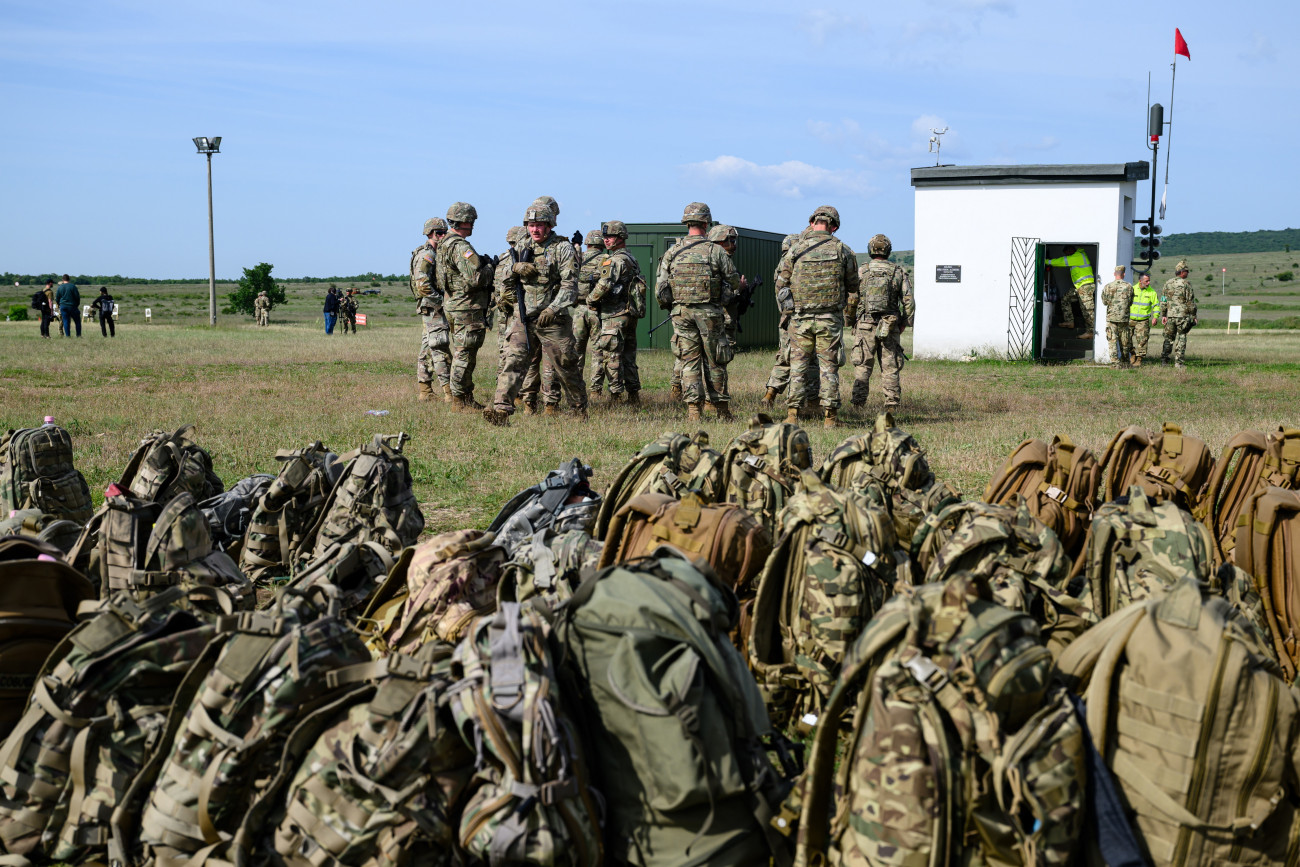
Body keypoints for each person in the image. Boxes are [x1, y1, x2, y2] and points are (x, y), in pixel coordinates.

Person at [484, 201, 588, 425]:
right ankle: (500, 410)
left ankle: (579, 411)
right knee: (513, 361)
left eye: (540, 224)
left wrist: (553, 308)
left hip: (553, 320)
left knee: (566, 366)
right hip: (524, 316)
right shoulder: (522, 246)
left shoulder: (562, 248)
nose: (535, 229)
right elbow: (503, 280)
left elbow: (571, 287)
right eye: (531, 225)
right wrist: (514, 269)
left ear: (549, 225)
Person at [655, 202, 741, 421]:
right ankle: (721, 410)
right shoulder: (715, 251)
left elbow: (660, 289)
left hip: (681, 313)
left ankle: (694, 411)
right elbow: (733, 281)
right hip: (710, 313)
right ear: (706, 222)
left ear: (686, 222)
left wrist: (673, 307)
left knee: (689, 361)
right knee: (715, 360)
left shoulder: (672, 252)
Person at [781, 206, 859, 428]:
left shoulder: (795, 250)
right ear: (834, 226)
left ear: (813, 222)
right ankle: (830, 418)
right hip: (829, 319)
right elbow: (854, 287)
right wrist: (848, 315)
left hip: (800, 318)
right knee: (828, 367)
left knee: (798, 366)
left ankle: (792, 415)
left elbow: (781, 284)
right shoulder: (843, 250)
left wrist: (788, 312)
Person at [436, 202, 495, 410]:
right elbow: (475, 279)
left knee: (465, 351)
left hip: (453, 305)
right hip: (466, 307)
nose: (473, 226)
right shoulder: (460, 246)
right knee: (465, 353)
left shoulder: (444, 244)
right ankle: (459, 400)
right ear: (464, 221)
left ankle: (465, 397)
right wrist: (490, 268)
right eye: (471, 222)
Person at [851, 234, 915, 410]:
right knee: (890, 366)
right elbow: (908, 301)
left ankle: (858, 404)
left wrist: (851, 321)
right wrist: (904, 323)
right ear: (888, 250)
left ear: (870, 249)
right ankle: (892, 405)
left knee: (863, 365)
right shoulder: (898, 271)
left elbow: (851, 299)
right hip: (890, 325)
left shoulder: (862, 271)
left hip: (865, 325)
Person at [761, 229, 820, 410]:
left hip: (786, 321)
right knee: (810, 361)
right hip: (801, 320)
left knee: (785, 358)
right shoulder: (797, 264)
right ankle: (811, 401)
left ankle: (770, 393)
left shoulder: (781, 267)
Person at [587, 220, 644, 404]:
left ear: (621, 238)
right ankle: (633, 394)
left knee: (612, 356)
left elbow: (604, 284)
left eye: (610, 236)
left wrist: (590, 299)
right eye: (605, 236)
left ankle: (616, 396)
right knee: (628, 356)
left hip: (614, 314)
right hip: (629, 313)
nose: (606, 240)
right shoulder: (631, 258)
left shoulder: (614, 261)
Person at [411, 218, 451, 401]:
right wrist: (441, 302)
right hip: (433, 308)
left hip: (431, 307)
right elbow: (422, 285)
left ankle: (425, 391)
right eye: (439, 233)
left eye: (445, 232)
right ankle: (450, 393)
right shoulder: (428, 255)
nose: (443, 236)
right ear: (429, 234)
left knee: (427, 349)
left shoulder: (434, 252)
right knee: (440, 349)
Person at [575, 229, 607, 396]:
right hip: (598, 310)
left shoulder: (578, 257)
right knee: (598, 351)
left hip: (579, 310)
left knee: (576, 351)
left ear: (587, 243)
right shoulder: (606, 259)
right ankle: (595, 390)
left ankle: (576, 386)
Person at [1045, 245, 1097, 333]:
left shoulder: (1078, 256)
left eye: (1067, 254)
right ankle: (1069, 321)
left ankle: (1090, 332)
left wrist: (1046, 261)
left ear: (1070, 250)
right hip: (1079, 286)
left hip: (1085, 286)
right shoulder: (1077, 256)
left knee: (1087, 310)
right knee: (1065, 299)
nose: (1067, 256)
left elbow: (1061, 261)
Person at [1160, 259, 1198, 369]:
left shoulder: (1167, 283)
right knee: (1181, 337)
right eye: (1187, 271)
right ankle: (1178, 363)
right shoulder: (1186, 284)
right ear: (1182, 272)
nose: (1188, 273)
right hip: (1182, 316)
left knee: (1168, 338)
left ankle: (1164, 361)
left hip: (1170, 316)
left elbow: (1163, 300)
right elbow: (1190, 302)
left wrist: (1163, 314)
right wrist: (1194, 315)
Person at [1100, 266, 1134, 369]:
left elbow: (1104, 302)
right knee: (1125, 341)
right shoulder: (1129, 286)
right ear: (1123, 274)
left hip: (1111, 318)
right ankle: (1126, 362)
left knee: (1112, 341)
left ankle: (1115, 364)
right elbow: (1130, 302)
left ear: (1114, 274)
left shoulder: (1108, 287)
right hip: (1124, 318)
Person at [1128, 273, 1158, 367]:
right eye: (1146, 281)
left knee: (1142, 341)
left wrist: (1155, 317)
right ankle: (1132, 354)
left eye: (1149, 281)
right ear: (1140, 281)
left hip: (1143, 320)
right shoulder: (1132, 289)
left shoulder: (1152, 292)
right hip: (1130, 319)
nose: (1148, 283)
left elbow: (1156, 306)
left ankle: (1139, 359)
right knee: (1126, 339)